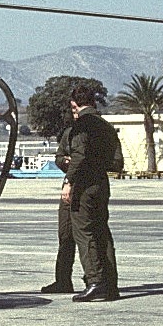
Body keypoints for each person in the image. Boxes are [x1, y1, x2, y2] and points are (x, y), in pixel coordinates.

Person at [63, 84, 120, 302]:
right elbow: (117, 161)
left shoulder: (82, 126)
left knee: (84, 233)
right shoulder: (105, 126)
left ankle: (95, 281)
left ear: (74, 104)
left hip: (85, 186)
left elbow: (79, 156)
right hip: (101, 183)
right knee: (102, 233)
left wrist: (69, 181)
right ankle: (110, 284)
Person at [40, 119, 77, 294]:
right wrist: (67, 162)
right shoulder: (69, 133)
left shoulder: (95, 132)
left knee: (92, 236)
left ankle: (97, 279)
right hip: (70, 189)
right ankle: (63, 280)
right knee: (65, 235)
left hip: (83, 186)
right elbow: (59, 158)